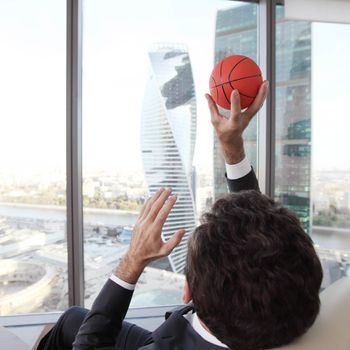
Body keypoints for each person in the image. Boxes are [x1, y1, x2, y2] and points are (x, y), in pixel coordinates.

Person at [37, 81, 323, 350]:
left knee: (68, 325)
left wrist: (131, 262)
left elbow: (89, 345)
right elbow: (259, 235)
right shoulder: (277, 302)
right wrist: (232, 146)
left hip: (170, 341)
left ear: (188, 293)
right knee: (72, 319)